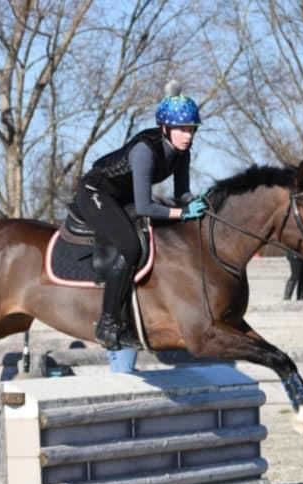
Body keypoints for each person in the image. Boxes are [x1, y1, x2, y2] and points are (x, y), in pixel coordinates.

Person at [74, 81, 208, 350]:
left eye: (192, 129)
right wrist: (182, 213)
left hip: (122, 198)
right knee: (131, 246)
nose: (188, 135)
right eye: (182, 129)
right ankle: (108, 323)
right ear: (165, 128)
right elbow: (146, 206)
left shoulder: (183, 154)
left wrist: (201, 205)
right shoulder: (145, 152)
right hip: (95, 192)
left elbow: (183, 194)